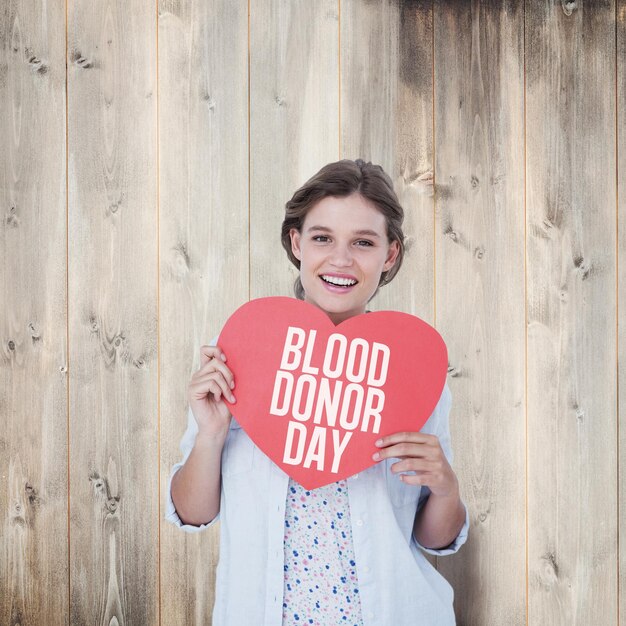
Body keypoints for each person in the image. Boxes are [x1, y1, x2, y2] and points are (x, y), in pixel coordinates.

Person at [166, 159, 469, 626]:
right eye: (322, 237)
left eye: (363, 243)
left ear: (390, 255)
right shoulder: (242, 353)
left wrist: (446, 487)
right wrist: (210, 435)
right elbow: (193, 513)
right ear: (296, 243)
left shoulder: (412, 370)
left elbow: (433, 539)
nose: (341, 260)